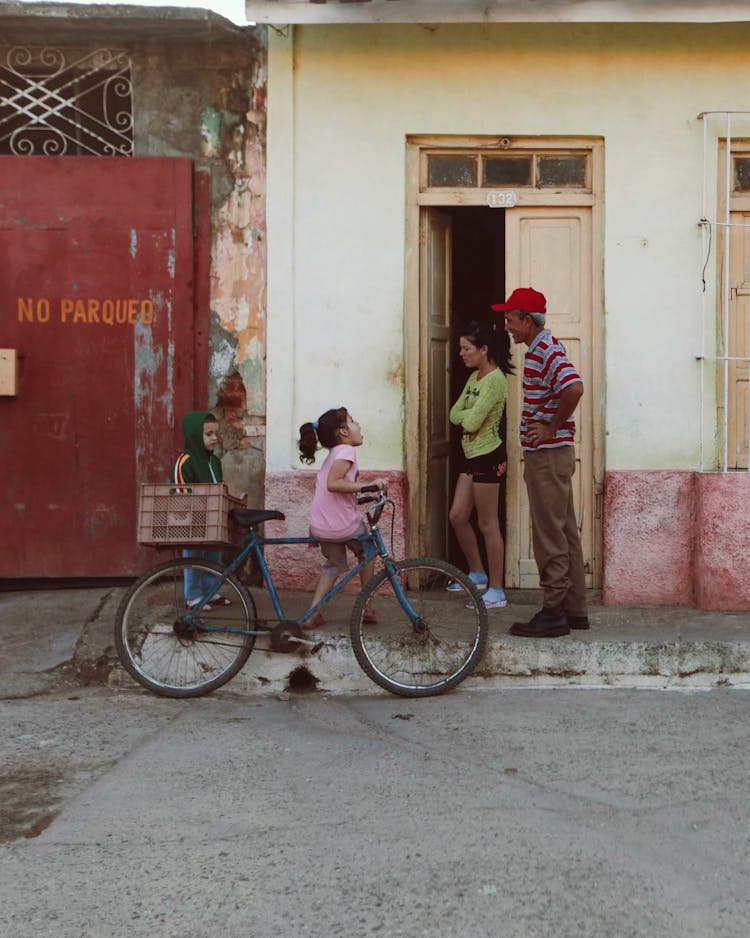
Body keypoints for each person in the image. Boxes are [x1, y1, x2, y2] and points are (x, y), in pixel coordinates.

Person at [491, 287, 589, 638]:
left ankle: (554, 611)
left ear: (528, 321)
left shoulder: (544, 349)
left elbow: (574, 388)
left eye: (511, 320)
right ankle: (574, 610)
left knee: (549, 534)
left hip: (547, 457)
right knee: (564, 532)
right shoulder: (542, 348)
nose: (508, 327)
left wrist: (550, 427)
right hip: (553, 457)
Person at [298, 407, 386, 630]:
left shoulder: (332, 455)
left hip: (320, 526)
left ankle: (311, 614)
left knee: (333, 565)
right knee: (369, 549)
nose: (359, 426)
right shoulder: (346, 451)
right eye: (353, 421)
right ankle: (367, 606)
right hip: (341, 525)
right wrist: (369, 485)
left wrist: (359, 494)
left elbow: (333, 492)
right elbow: (334, 484)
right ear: (344, 432)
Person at [447, 320, 513, 610]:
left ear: (484, 350)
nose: (461, 354)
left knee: (488, 524)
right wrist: (466, 416)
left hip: (488, 455)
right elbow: (453, 414)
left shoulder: (496, 381)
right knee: (458, 515)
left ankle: (496, 590)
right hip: (471, 454)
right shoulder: (475, 378)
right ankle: (476, 573)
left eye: (466, 349)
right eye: (461, 348)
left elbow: (471, 420)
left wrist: (467, 416)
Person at [170, 411, 231, 610]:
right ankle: (193, 595)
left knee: (213, 555)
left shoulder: (214, 462)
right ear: (195, 435)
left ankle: (210, 591)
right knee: (194, 555)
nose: (215, 438)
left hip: (211, 517)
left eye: (215, 433)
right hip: (191, 518)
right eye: (208, 434)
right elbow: (180, 491)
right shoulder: (185, 461)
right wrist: (194, 510)